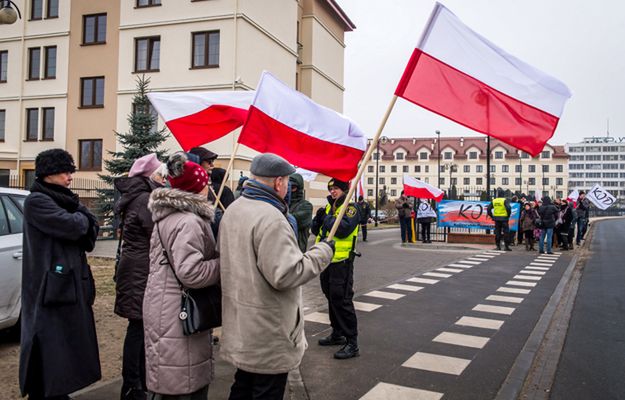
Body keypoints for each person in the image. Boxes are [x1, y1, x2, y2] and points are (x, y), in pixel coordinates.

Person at [218, 153, 334, 400]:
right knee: (265, 390)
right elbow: (287, 273)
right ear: (279, 182)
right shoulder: (272, 218)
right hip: (267, 329)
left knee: (243, 385)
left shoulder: (234, 208)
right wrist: (323, 252)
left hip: (242, 320)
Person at [20, 149, 100, 400]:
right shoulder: (37, 201)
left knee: (67, 351)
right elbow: (75, 226)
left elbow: (90, 227)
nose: (70, 176)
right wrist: (81, 217)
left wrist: (81, 216)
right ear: (49, 174)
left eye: (71, 171)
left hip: (67, 286)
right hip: (49, 289)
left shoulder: (65, 199)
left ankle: (57, 392)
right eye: (65, 171)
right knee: (50, 350)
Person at [143, 152, 220, 399]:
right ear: (195, 189)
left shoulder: (169, 215)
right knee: (181, 380)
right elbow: (191, 273)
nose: (209, 186)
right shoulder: (188, 221)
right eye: (205, 182)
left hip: (164, 303)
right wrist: (222, 264)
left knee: (171, 375)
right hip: (177, 309)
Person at [113, 153, 164, 400]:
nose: (163, 179)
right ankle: (133, 386)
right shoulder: (144, 199)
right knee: (138, 327)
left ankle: (139, 381)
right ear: (148, 176)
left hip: (135, 267)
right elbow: (156, 231)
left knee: (141, 327)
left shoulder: (138, 196)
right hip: (139, 270)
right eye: (159, 174)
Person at [311, 178, 361, 360]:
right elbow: (317, 231)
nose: (333, 191)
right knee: (330, 296)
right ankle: (337, 333)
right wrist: (318, 220)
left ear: (345, 190)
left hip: (342, 261)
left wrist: (327, 219)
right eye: (331, 188)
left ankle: (352, 342)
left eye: (337, 189)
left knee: (342, 299)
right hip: (326, 260)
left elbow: (344, 229)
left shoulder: (350, 208)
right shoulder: (327, 209)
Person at [289, 173, 313, 252]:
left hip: (297, 250)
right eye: (287, 187)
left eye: (292, 187)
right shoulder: (283, 204)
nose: (289, 190)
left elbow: (288, 222)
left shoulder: (306, 206)